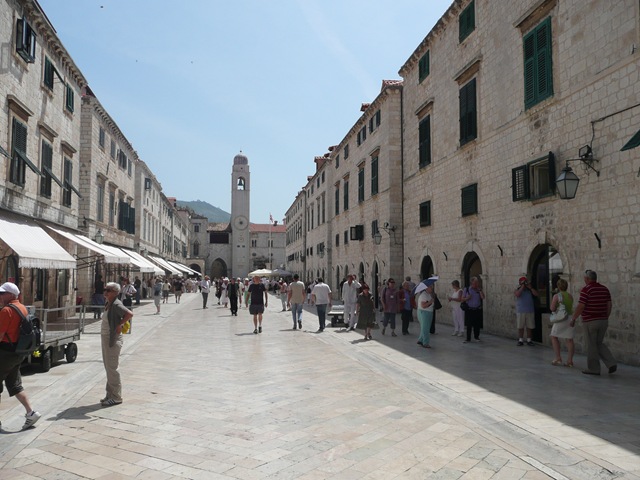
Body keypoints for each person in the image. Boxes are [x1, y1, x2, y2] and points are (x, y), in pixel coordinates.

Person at [0, 282, 41, 429]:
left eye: (2, 293)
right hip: (17, 352)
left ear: (11, 295)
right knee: (15, 385)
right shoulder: (22, 308)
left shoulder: (6, 310)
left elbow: (0, 334)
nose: (0, 296)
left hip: (5, 353)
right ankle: (31, 413)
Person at [570, 270, 617, 375]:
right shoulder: (604, 289)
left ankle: (594, 369)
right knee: (598, 343)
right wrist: (605, 317)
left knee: (591, 345)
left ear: (587, 279)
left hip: (590, 321)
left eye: (584, 278)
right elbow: (609, 305)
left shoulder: (586, 290)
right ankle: (611, 363)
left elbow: (581, 306)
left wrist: (573, 318)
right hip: (603, 320)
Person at [100, 282, 133, 407]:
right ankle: (110, 394)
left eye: (108, 290)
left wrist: (120, 324)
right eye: (105, 289)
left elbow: (129, 314)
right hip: (106, 338)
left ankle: (116, 397)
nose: (105, 292)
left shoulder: (116, 304)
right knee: (108, 367)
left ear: (115, 292)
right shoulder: (109, 303)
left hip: (113, 339)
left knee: (112, 368)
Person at [550, 278, 575, 367]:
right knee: (569, 339)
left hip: (561, 318)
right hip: (569, 318)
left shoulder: (557, 296)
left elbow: (552, 308)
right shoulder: (570, 296)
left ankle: (558, 358)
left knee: (554, 336)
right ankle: (570, 361)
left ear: (558, 286)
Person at [514, 276, 539, 346]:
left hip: (530, 310)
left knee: (530, 326)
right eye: (523, 282)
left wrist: (530, 288)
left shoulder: (530, 290)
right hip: (521, 311)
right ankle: (520, 340)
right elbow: (517, 294)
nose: (525, 283)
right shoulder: (518, 289)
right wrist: (522, 287)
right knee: (520, 326)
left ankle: (529, 340)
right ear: (520, 282)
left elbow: (536, 294)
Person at [462, 276, 485, 343]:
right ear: (471, 283)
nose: (476, 284)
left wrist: (480, 291)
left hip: (477, 309)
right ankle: (468, 338)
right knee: (469, 324)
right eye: (475, 283)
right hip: (469, 309)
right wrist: (467, 298)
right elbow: (462, 299)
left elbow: (483, 297)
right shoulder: (467, 289)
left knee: (477, 324)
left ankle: (476, 337)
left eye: (477, 283)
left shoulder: (479, 290)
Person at [416, 283, 435, 348]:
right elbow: (423, 306)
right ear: (426, 288)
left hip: (427, 312)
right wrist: (430, 301)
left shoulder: (428, 294)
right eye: (430, 287)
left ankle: (420, 340)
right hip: (425, 313)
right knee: (426, 328)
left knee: (424, 327)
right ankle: (425, 343)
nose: (432, 288)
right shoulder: (424, 295)